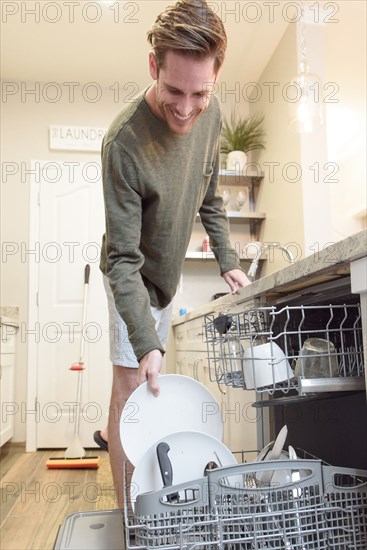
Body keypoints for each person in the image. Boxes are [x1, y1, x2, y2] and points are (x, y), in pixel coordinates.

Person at [95, 0, 250, 507]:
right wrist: (144, 341)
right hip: (132, 277)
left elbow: (209, 195)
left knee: (149, 388)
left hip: (167, 276)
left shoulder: (212, 114)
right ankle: (132, 521)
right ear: (153, 67)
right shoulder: (124, 142)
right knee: (132, 390)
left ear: (215, 78)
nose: (186, 109)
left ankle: (153, 498)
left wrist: (228, 258)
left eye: (200, 93)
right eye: (174, 91)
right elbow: (122, 259)